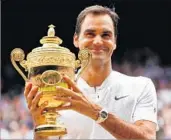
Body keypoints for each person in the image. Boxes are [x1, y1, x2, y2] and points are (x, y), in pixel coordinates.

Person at [24, 5, 158, 139]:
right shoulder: (57, 92)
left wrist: (94, 111)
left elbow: (147, 137)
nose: (98, 41)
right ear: (76, 40)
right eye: (90, 34)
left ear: (115, 42)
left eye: (106, 35)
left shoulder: (141, 86)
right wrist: (40, 126)